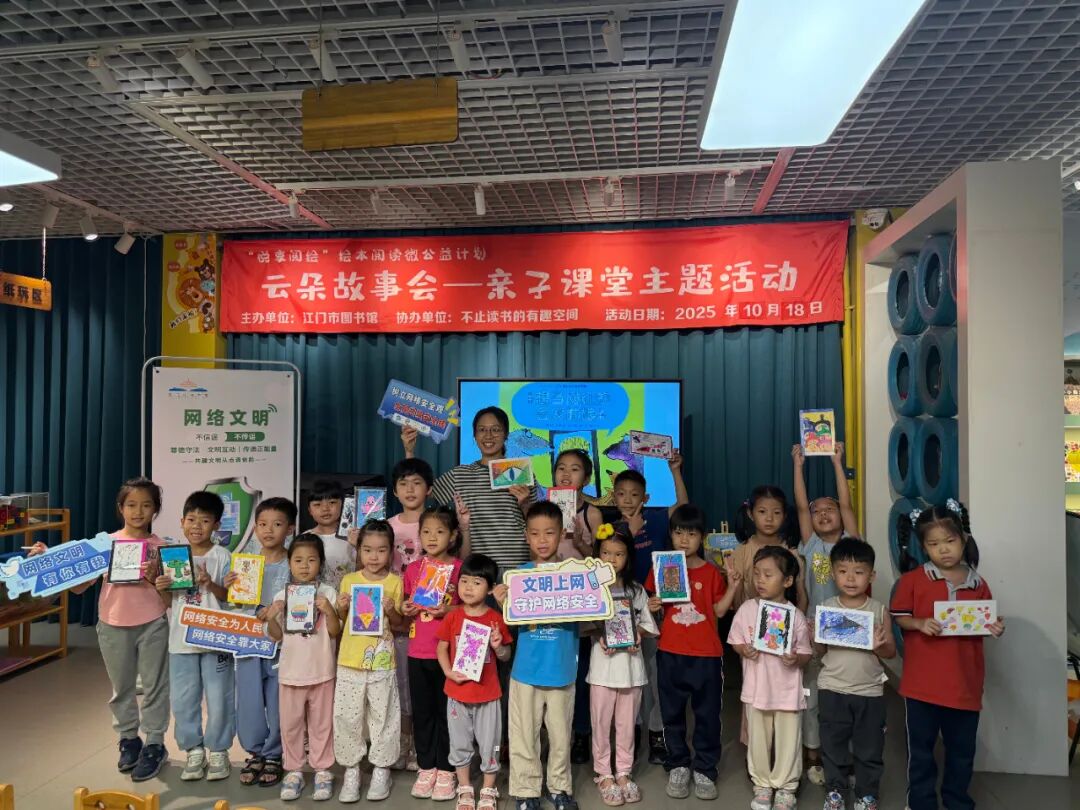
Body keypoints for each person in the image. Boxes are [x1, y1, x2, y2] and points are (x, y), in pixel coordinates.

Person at [890, 501, 1004, 810]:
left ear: (963, 539)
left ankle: (957, 801)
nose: (943, 550)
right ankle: (920, 802)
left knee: (961, 752)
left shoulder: (978, 584)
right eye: (934, 544)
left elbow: (982, 621)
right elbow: (899, 616)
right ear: (923, 546)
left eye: (950, 541)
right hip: (921, 687)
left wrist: (993, 626)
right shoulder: (912, 581)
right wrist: (918, 623)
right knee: (921, 752)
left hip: (965, 686)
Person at [79, 477, 171, 782]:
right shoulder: (104, 544)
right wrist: (47, 562)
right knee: (122, 688)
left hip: (153, 623)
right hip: (112, 623)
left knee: (155, 686)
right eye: (131, 505)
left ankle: (155, 743)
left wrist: (155, 578)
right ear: (121, 508)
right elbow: (79, 587)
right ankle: (129, 740)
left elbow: (169, 599)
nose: (138, 511)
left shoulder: (162, 547)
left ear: (155, 510)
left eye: (146, 505)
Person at [644, 504, 737, 801]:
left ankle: (706, 769)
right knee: (671, 713)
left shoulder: (711, 573)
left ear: (702, 537)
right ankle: (678, 764)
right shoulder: (663, 567)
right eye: (679, 533)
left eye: (692, 534)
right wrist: (652, 605)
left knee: (707, 715)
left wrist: (733, 586)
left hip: (706, 655)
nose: (684, 539)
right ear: (671, 535)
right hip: (670, 651)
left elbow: (719, 611)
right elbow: (653, 604)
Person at [605, 456, 688, 766]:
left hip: (652, 609)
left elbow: (682, 508)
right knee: (625, 673)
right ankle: (633, 731)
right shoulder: (608, 529)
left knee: (653, 674)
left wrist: (675, 471)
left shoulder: (655, 518)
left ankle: (656, 732)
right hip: (617, 611)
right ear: (613, 497)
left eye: (634, 494)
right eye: (621, 494)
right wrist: (627, 530)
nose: (627, 499)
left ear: (646, 497)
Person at [792, 442, 861, 785]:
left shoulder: (850, 543)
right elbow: (800, 507)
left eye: (829, 509)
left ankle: (845, 755)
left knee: (845, 694)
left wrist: (837, 463)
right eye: (816, 511)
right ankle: (813, 753)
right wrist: (798, 466)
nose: (822, 514)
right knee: (813, 692)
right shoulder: (812, 544)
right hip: (814, 627)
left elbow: (847, 504)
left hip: (848, 626)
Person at [504, 501, 580, 810]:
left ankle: (559, 788)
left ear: (562, 534)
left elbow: (591, 614)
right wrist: (503, 599)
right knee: (524, 734)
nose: (542, 540)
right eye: (535, 533)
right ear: (526, 536)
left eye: (549, 532)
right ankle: (526, 791)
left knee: (561, 736)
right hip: (525, 670)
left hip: (562, 669)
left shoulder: (574, 575)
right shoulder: (516, 577)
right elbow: (508, 620)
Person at [153, 490, 233, 783]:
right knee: (183, 699)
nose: (197, 526)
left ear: (216, 525)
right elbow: (168, 603)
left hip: (215, 639)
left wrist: (210, 584)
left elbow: (231, 598)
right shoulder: (173, 556)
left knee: (219, 697)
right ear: (181, 521)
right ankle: (193, 750)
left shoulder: (222, 556)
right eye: (191, 519)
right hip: (181, 640)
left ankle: (219, 750)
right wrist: (161, 587)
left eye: (205, 520)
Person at [728, 546, 813, 810]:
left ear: (787, 581)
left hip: (787, 690)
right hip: (756, 689)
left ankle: (787, 786)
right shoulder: (747, 609)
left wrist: (795, 659)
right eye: (756, 574)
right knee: (758, 739)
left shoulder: (796, 616)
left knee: (789, 740)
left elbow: (806, 653)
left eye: (768, 575)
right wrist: (744, 649)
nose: (760, 580)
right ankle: (762, 784)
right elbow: (735, 640)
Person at [816, 539, 895, 810]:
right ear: (833, 573)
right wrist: (815, 634)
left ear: (871, 576)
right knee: (833, 745)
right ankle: (835, 791)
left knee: (869, 746)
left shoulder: (879, 610)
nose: (850, 578)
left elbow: (890, 653)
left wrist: (878, 645)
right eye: (843, 571)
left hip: (869, 690)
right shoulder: (827, 607)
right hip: (832, 688)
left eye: (859, 572)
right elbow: (820, 650)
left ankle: (867, 794)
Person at [410, 406, 534, 572]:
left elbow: (538, 524)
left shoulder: (521, 472)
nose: (488, 435)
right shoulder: (460, 474)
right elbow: (420, 492)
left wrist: (525, 504)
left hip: (516, 564)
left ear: (506, 435)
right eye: (482, 430)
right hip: (476, 569)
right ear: (475, 435)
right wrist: (409, 450)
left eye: (495, 429)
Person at [266, 534, 342, 802]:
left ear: (320, 563)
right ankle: (294, 770)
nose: (305, 566)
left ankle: (322, 770)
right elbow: (276, 636)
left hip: (322, 672)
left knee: (322, 725)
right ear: (289, 563)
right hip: (290, 674)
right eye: (298, 560)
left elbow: (335, 632)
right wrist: (272, 616)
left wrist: (329, 610)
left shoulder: (328, 593)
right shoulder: (281, 596)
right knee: (291, 725)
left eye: (311, 560)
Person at [334, 520, 406, 803]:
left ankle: (381, 769)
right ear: (359, 550)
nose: (374, 557)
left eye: (381, 550)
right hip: (350, 660)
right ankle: (351, 769)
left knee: (384, 715)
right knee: (347, 716)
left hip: (382, 661)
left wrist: (391, 611)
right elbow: (341, 622)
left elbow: (399, 624)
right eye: (367, 550)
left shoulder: (395, 582)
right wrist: (341, 608)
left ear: (391, 551)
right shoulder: (349, 581)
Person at [587, 522, 658, 806]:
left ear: (628, 557)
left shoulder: (636, 590)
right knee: (601, 723)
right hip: (602, 670)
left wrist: (636, 634)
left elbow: (647, 625)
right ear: (597, 554)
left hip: (630, 669)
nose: (612, 559)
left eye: (619, 554)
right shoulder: (591, 590)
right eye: (606, 553)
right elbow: (584, 625)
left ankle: (624, 772)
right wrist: (599, 634)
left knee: (627, 725)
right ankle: (604, 773)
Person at [436, 553, 513, 810]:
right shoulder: (453, 616)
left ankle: (488, 788)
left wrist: (498, 646)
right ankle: (465, 787)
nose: (468, 587)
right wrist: (448, 671)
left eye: (477, 582)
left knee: (490, 742)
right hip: (457, 692)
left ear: (491, 588)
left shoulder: (496, 618)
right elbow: (441, 648)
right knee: (459, 742)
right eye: (464, 581)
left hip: (488, 694)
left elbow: (505, 656)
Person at [229, 496, 295, 789]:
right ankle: (255, 751)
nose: (269, 530)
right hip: (248, 642)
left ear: (290, 529)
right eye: (262, 524)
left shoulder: (295, 563)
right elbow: (235, 604)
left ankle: (274, 753)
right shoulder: (244, 562)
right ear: (254, 528)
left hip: (282, 645)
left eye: (277, 524)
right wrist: (229, 588)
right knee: (249, 698)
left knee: (279, 699)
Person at [403, 506, 465, 801]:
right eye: (426, 531)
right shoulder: (413, 569)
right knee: (423, 711)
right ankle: (426, 766)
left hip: (449, 654)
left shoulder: (460, 569)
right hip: (418, 651)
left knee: (447, 712)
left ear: (452, 536)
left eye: (439, 532)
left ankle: (447, 769)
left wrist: (449, 609)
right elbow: (406, 604)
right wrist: (405, 608)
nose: (431, 537)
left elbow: (471, 608)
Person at [550, 448, 604, 767]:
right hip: (550, 604)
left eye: (575, 468)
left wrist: (580, 542)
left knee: (581, 674)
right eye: (561, 468)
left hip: (580, 604)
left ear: (587, 477)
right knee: (556, 671)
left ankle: (581, 733)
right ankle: (557, 735)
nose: (566, 474)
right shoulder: (546, 509)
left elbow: (600, 562)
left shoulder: (591, 513)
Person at [387, 455, 437, 772]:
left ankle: (423, 744)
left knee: (424, 687)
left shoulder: (436, 523)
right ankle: (404, 742)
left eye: (417, 483)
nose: (410, 489)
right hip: (397, 617)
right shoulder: (389, 526)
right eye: (403, 483)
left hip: (430, 620)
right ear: (394, 490)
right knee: (400, 685)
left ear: (429, 489)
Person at [730, 485, 807, 612]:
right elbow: (737, 596)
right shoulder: (741, 552)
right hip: (750, 620)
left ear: (785, 515)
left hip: (785, 621)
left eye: (776, 513)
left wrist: (797, 621)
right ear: (750, 514)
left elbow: (802, 596)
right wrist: (743, 620)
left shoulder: (793, 552)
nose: (769, 518)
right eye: (762, 512)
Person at [307, 479, 357, 590]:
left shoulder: (354, 535)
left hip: (347, 596)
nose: (325, 509)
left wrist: (358, 546)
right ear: (310, 510)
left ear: (343, 504)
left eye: (332, 502)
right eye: (317, 504)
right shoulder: (304, 539)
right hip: (318, 598)